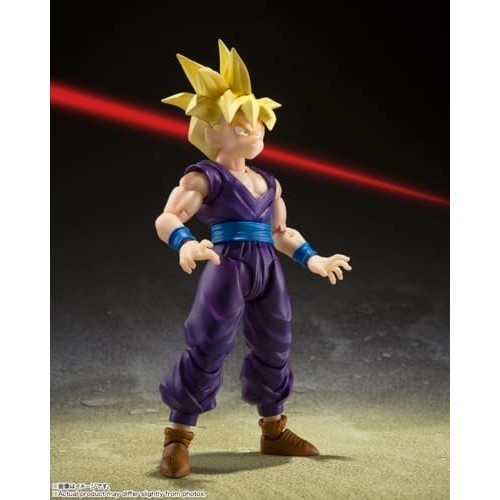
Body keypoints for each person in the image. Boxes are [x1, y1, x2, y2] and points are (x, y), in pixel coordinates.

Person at [155, 40, 352, 478]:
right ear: (212, 132)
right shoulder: (204, 176)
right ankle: (177, 437)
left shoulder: (269, 182)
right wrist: (185, 243)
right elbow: (168, 217)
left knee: (275, 343)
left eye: (258, 122)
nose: (255, 130)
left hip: (267, 268)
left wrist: (313, 259)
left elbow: (281, 233)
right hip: (226, 265)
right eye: (241, 124)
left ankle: (274, 429)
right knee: (208, 342)